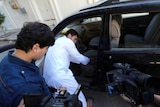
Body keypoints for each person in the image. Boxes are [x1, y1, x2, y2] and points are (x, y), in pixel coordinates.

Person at [0, 22, 55, 107]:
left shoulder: (7, 59)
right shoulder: (29, 85)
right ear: (35, 48)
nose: (46, 51)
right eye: (46, 48)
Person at [43, 29, 90, 107]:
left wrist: (82, 60)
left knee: (60, 101)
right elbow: (77, 56)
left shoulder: (57, 42)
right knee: (78, 95)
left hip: (49, 79)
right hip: (61, 76)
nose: (75, 42)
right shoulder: (67, 42)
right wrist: (89, 60)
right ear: (69, 36)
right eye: (74, 39)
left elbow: (70, 58)